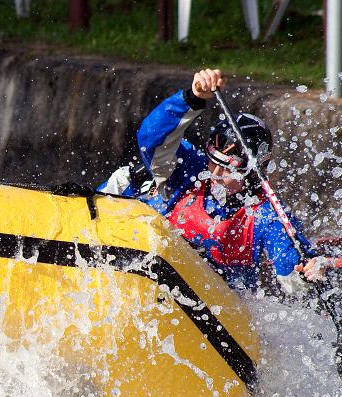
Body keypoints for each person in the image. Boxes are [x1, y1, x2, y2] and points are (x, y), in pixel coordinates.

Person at [97, 67, 333, 292]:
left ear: (252, 172)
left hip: (212, 303)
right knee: (130, 178)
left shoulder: (266, 215)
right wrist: (192, 97)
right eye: (213, 161)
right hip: (143, 269)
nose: (216, 174)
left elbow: (289, 270)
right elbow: (151, 139)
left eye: (228, 169)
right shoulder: (190, 169)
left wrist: (306, 271)